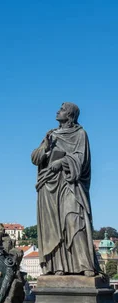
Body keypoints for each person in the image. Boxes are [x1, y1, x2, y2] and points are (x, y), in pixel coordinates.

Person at [31, 103, 98, 276]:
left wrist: (62, 162)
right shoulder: (51, 135)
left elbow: (81, 159)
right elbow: (35, 158)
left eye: (61, 110)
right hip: (48, 185)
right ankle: (57, 267)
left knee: (73, 219)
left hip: (70, 184)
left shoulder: (80, 134)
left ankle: (85, 265)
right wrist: (45, 147)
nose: (57, 111)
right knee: (53, 227)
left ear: (69, 115)